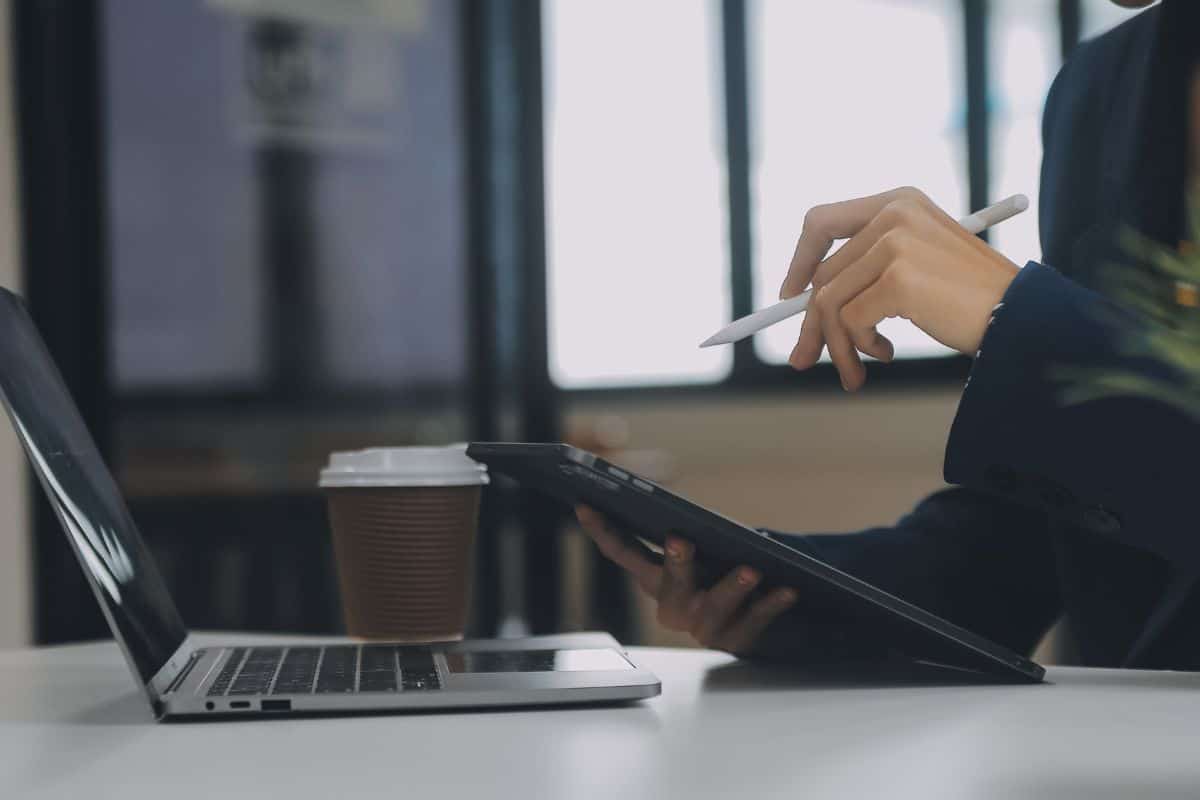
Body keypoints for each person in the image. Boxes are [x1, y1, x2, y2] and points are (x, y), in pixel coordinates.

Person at [576, 0, 1200, 669]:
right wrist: (781, 591)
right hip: (1118, 727)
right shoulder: (1098, 84)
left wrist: (1020, 318)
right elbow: (1057, 535)